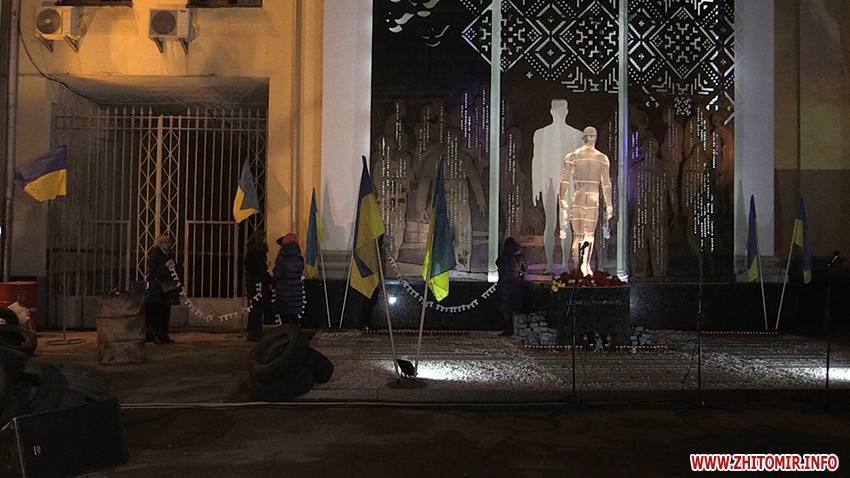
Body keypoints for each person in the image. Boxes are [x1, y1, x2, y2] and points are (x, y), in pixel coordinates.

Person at [532, 99, 584, 274]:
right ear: (551, 112)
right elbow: (536, 160)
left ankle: (564, 264)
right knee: (550, 222)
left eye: (561, 111)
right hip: (549, 182)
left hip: (568, 183)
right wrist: (536, 184)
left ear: (567, 112)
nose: (559, 114)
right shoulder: (541, 133)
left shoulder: (576, 134)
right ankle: (549, 264)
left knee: (565, 224)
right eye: (556, 111)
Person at [561, 126, 614, 277]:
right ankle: (579, 266)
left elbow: (606, 183)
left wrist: (609, 204)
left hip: (591, 199)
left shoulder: (601, 158)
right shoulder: (572, 157)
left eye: (593, 136)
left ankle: (584, 265)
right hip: (580, 197)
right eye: (589, 136)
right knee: (579, 235)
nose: (591, 139)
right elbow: (564, 180)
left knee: (588, 234)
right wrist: (561, 199)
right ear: (583, 137)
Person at [146, 234, 180, 344]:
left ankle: (164, 334)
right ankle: (155, 335)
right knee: (156, 312)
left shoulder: (169, 254)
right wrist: (165, 266)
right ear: (159, 244)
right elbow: (153, 272)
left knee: (166, 312)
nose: (167, 244)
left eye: (168, 242)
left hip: (167, 286)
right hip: (158, 288)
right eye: (165, 242)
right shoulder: (155, 254)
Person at [244, 229, 273, 341]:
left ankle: (256, 330)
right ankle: (253, 331)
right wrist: (263, 265)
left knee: (259, 307)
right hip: (255, 282)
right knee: (255, 307)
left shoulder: (258, 250)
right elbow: (249, 266)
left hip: (258, 281)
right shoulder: (254, 251)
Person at [495, 237, 526, 336]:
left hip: (504, 285)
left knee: (505, 309)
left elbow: (497, 263)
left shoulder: (503, 255)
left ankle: (508, 329)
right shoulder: (520, 255)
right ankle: (517, 329)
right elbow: (525, 268)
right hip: (516, 285)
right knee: (515, 308)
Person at [273, 233, 304, 324]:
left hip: (284, 293)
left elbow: (278, 275)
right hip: (296, 293)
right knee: (295, 320)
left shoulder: (282, 258)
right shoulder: (299, 258)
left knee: (285, 321)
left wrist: (274, 270)